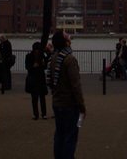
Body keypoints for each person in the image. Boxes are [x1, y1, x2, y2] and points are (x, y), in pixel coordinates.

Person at [47, 30, 86, 159]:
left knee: (59, 135)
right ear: (66, 42)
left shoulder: (54, 57)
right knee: (70, 136)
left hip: (57, 102)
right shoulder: (69, 59)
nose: (69, 36)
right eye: (66, 35)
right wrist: (81, 105)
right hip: (69, 104)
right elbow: (76, 85)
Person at [25, 41, 50, 120]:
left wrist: (43, 64)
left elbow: (46, 66)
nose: (38, 51)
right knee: (34, 97)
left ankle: (44, 114)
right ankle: (35, 114)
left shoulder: (42, 56)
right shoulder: (29, 56)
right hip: (33, 78)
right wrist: (34, 66)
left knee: (42, 97)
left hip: (41, 78)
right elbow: (28, 67)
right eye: (37, 50)